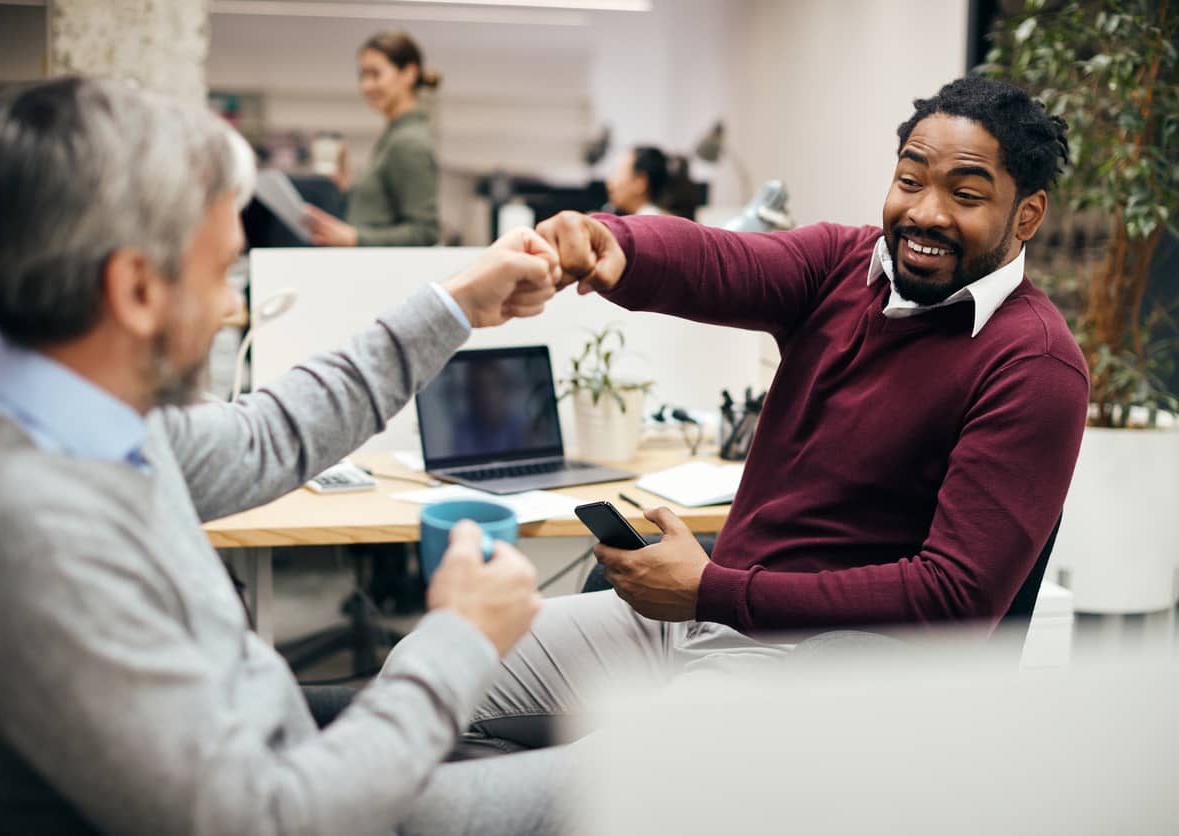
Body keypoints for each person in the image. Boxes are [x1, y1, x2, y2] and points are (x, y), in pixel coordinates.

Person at [0, 77, 575, 835]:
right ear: (138, 289)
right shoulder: (30, 536)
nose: (230, 306)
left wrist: (455, 305)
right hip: (295, 807)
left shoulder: (77, 416)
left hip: (277, 760)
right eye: (222, 272)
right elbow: (264, 821)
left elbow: (268, 435)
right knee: (645, 780)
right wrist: (461, 639)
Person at [465, 76, 1091, 748]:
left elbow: (952, 596)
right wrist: (610, 242)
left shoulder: (1033, 367)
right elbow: (722, 262)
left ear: (1026, 216)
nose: (926, 213)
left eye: (965, 195)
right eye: (910, 181)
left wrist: (715, 593)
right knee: (445, 674)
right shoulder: (843, 265)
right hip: (701, 613)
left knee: (613, 788)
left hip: (808, 667)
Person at [305, 30, 441, 247]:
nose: (366, 86)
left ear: (409, 74)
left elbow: (425, 232)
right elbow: (381, 216)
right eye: (363, 76)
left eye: (375, 74)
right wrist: (346, 187)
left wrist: (355, 238)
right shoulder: (393, 136)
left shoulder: (409, 142)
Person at [604, 145, 698, 219]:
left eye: (617, 173)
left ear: (639, 182)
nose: (609, 183)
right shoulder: (661, 220)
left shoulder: (645, 226)